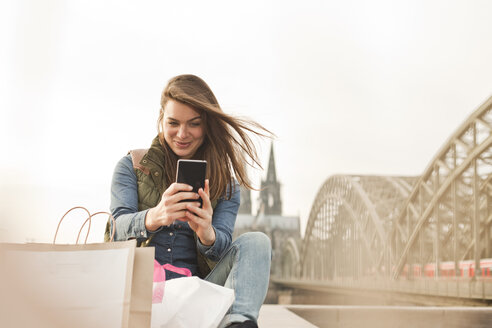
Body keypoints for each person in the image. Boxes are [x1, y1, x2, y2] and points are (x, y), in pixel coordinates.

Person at [109, 74, 272, 328]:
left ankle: (238, 324)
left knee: (257, 242)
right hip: (141, 291)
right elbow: (113, 232)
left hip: (196, 294)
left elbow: (224, 249)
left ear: (206, 126)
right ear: (160, 120)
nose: (182, 134)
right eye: (173, 122)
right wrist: (154, 217)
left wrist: (207, 234)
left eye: (193, 124)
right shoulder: (132, 166)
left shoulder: (226, 185)